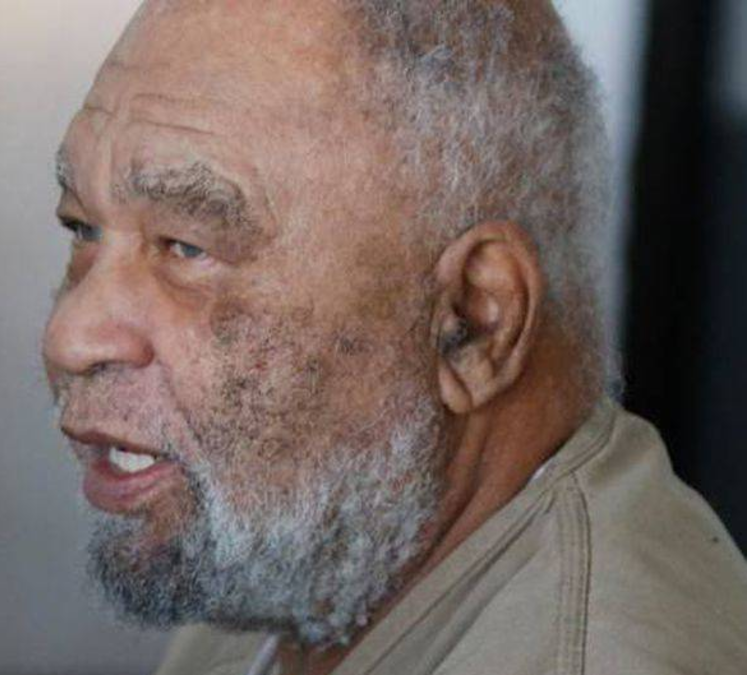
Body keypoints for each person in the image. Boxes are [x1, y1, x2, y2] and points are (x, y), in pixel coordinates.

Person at [40, 1, 747, 674]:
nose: (70, 338)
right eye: (83, 227)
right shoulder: (296, 540)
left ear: (475, 323)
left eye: (187, 248)